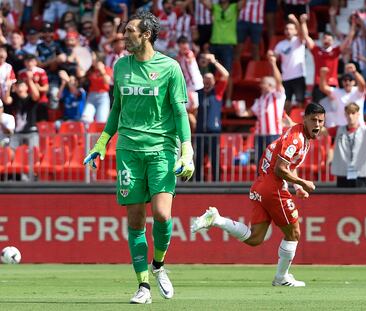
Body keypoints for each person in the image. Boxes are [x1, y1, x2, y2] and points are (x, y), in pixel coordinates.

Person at [83, 11, 195, 304]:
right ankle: (143, 286)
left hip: (161, 149)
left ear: (146, 34)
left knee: (162, 214)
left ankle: (158, 265)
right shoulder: (120, 67)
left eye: (130, 30)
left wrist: (187, 150)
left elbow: (181, 112)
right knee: (135, 219)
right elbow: (116, 109)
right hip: (129, 151)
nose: (124, 35)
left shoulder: (170, 68)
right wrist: (102, 143)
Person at [192, 103, 326, 287]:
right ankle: (281, 278)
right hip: (273, 187)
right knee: (294, 233)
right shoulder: (297, 139)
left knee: (255, 238)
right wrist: (303, 183)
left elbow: (285, 166)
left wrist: (296, 186)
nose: (317, 124)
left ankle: (216, 219)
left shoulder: (300, 135)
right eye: (313, 120)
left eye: (320, 121)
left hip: (260, 185)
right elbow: (280, 169)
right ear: (305, 119)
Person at [236, 50, 292, 163]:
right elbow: (250, 113)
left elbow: (278, 81)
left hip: (274, 134)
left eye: (263, 83)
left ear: (270, 85)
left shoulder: (277, 95)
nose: (261, 86)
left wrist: (273, 64)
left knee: (274, 161)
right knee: (260, 162)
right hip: (260, 134)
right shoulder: (261, 99)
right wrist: (241, 112)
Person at [195, 53, 229, 182]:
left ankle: (216, 182)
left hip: (213, 132)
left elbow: (225, 75)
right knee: (198, 159)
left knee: (214, 158)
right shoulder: (199, 93)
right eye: (206, 79)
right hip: (200, 132)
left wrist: (214, 62)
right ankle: (197, 182)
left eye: (210, 79)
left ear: (214, 81)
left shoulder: (217, 92)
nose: (207, 81)